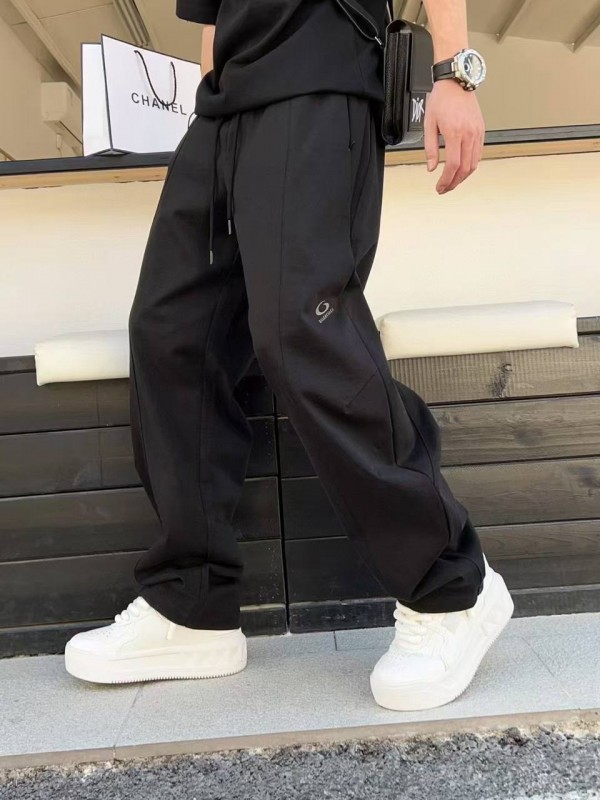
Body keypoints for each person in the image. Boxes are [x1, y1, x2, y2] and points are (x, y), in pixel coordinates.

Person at [64, 0, 514, 711]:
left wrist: (455, 74)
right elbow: (212, 24)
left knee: (304, 328)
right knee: (171, 332)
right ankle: (192, 606)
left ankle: (451, 585)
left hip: (322, 76)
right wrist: (214, 110)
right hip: (224, 110)